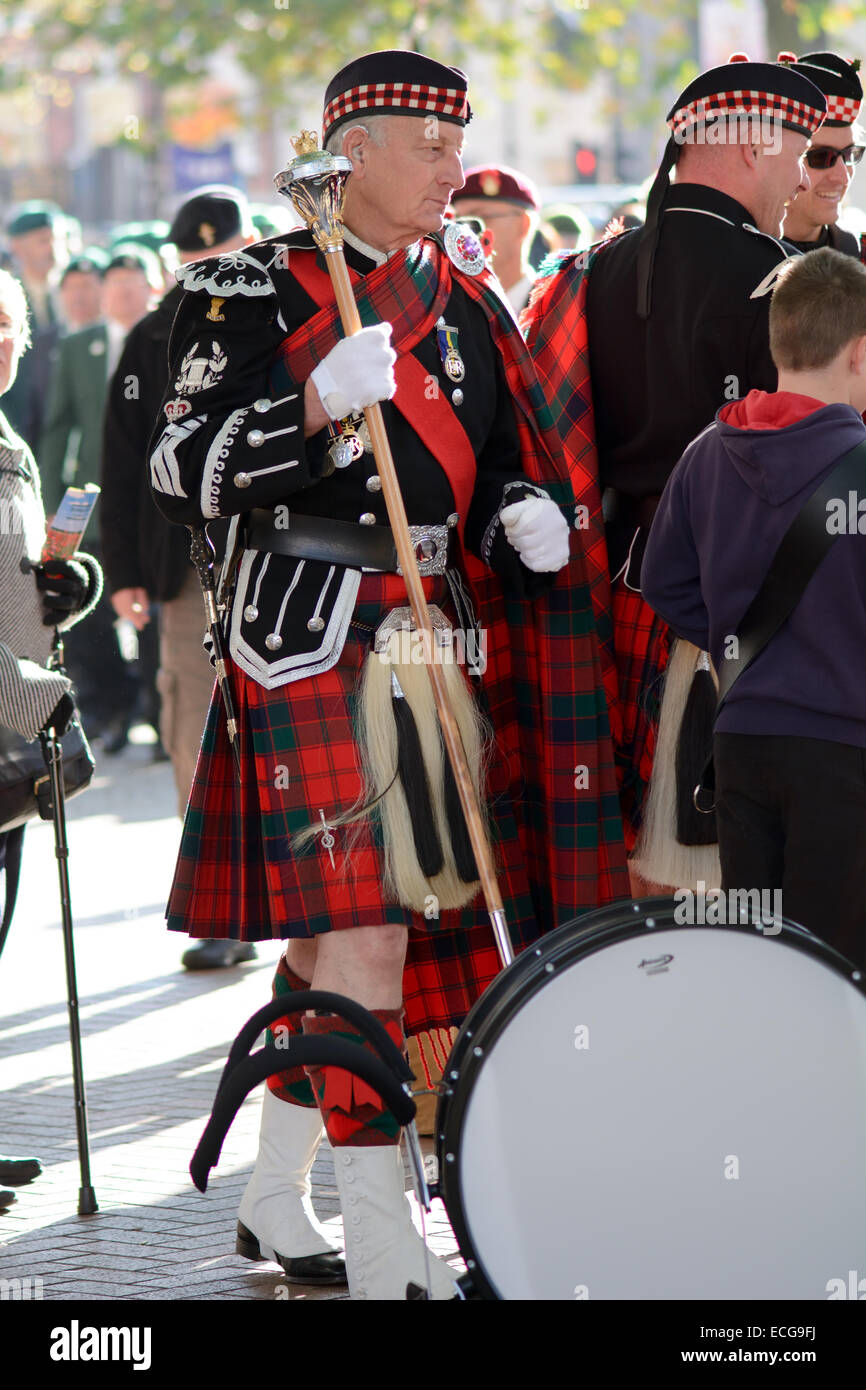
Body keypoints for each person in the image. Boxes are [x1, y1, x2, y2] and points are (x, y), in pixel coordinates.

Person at [148, 48, 627, 1299]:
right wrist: (305, 407)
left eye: (456, 144)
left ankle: (272, 1195)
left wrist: (522, 508)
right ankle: (383, 1249)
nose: (451, 170)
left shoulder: (456, 290)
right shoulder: (249, 287)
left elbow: (504, 447)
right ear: (348, 150)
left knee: (338, 946)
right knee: (363, 942)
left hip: (435, 634)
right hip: (307, 628)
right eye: (428, 145)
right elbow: (175, 465)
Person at [521, 55, 827, 870]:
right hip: (761, 601)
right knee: (749, 861)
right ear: (754, 145)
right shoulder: (782, 283)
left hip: (625, 594)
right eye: (798, 151)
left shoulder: (591, 273)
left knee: (651, 856)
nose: (802, 178)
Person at [642, 248, 866, 968]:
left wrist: (737, 647)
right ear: (860, 354)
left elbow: (666, 582)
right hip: (847, 750)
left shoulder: (707, 451)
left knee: (762, 966)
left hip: (740, 745)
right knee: (840, 971)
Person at [101, 186, 257, 970]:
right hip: (183, 572)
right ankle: (221, 907)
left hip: (276, 562)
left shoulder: (281, 311)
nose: (207, 274)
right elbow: (122, 463)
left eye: (220, 257)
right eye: (194, 262)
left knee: (284, 734)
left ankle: (308, 903)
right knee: (193, 727)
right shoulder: (150, 338)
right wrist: (125, 570)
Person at [0, 267, 101, 1208]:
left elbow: (21, 583)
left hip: (6, 736)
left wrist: (72, 586)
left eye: (3, 327)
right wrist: (35, 694)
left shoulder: (11, 448)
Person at [40, 247, 159, 751]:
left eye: (133, 286)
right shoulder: (79, 346)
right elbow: (59, 425)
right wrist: (49, 497)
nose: (122, 295)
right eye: (115, 286)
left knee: (152, 602)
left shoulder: (165, 339)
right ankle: (114, 706)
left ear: (151, 289)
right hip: (92, 495)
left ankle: (158, 713)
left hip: (153, 496)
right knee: (94, 604)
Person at [781, 52, 865, 258]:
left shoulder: (861, 256)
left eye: (850, 154)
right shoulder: (737, 260)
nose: (842, 177)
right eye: (821, 157)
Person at [2, 203, 65, 450]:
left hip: (59, 432)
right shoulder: (6, 298)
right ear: (17, 247)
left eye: (58, 239)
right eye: (43, 240)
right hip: (16, 425)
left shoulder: (74, 294)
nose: (54, 249)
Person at [450, 163, 541, 313]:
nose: (465, 232)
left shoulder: (553, 307)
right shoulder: (451, 308)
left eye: (479, 219)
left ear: (523, 225)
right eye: (458, 221)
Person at [58, 250, 108, 334]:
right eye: (72, 287)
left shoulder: (115, 336)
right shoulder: (47, 340)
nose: (78, 294)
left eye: (86, 286)